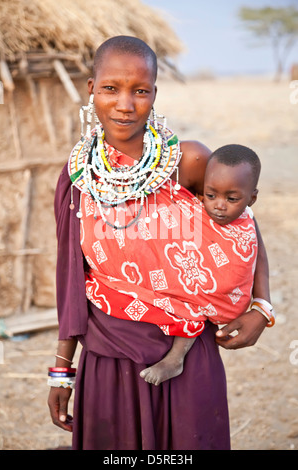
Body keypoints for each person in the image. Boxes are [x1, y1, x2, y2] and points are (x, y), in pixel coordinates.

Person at [48, 36, 272, 450]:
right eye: (111, 88)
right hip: (107, 355)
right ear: (91, 89)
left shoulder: (188, 161)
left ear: (155, 93)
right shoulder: (78, 179)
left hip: (186, 354)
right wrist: (63, 370)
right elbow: (71, 280)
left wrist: (262, 305)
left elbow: (245, 222)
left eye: (141, 90)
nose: (125, 105)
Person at [140, 144, 275, 386]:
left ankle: (176, 358)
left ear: (252, 198)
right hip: (172, 284)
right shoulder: (195, 204)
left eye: (232, 199)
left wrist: (262, 305)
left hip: (205, 290)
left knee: (198, 304)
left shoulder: (246, 225)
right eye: (211, 196)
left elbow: (246, 261)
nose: (219, 205)